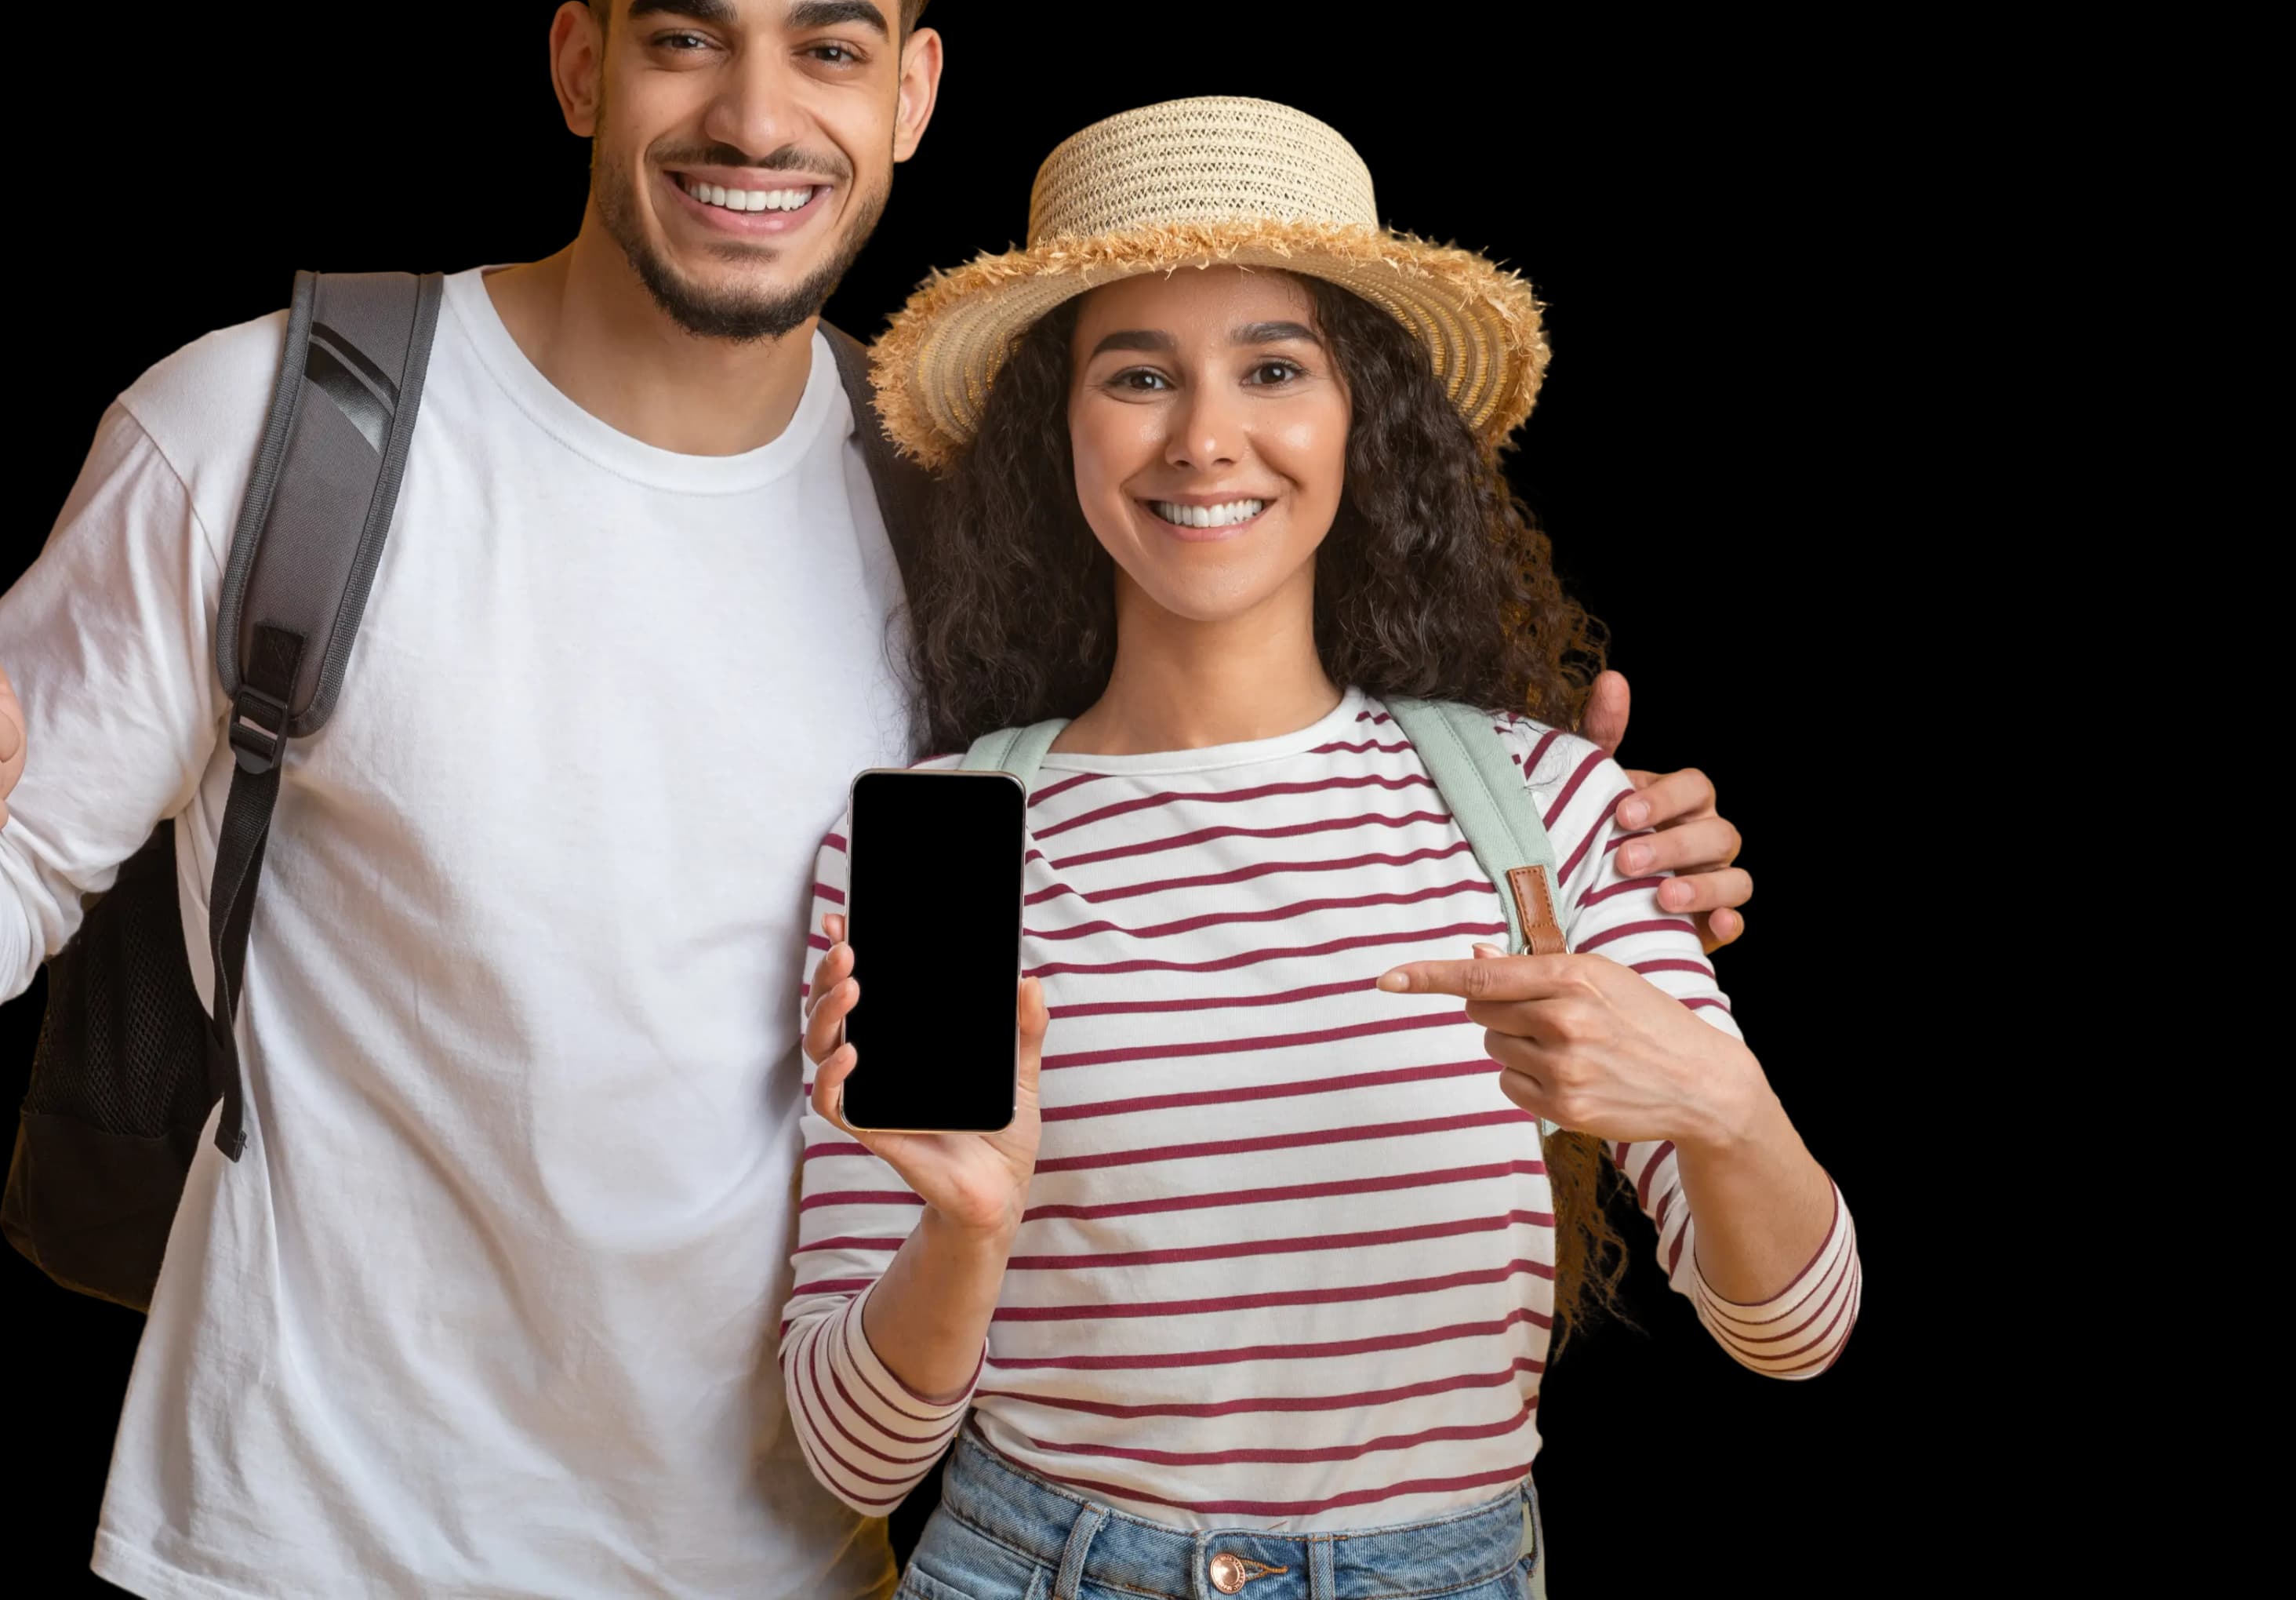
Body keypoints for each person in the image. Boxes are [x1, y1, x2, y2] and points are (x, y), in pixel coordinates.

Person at [0, 0, 1754, 1598]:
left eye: (827, 47)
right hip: (312, 1539)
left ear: (910, 92)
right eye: (686, 37)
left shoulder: (952, 514)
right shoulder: (267, 431)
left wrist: (1573, 830)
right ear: (581, 64)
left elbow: (1219, 767)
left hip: (798, 1550)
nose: (755, 118)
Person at [786, 97, 1851, 1598]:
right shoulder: (934, 846)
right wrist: (968, 1230)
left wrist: (1723, 1107)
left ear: (1363, 415)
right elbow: (852, 1462)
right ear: (1056, 432)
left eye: (1274, 368)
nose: (1204, 438)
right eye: (1137, 375)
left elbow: (1794, 1331)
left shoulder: (1546, 807)